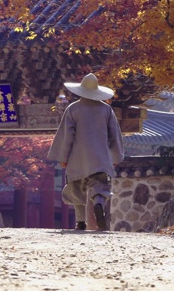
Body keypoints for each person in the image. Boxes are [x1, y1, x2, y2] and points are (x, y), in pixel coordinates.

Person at [48, 73, 124, 231]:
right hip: (101, 157)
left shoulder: (73, 109)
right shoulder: (106, 110)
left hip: (78, 158)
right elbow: (114, 136)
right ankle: (98, 204)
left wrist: (63, 158)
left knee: (76, 187)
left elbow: (67, 135)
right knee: (100, 186)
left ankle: (80, 222)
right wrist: (115, 157)